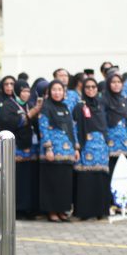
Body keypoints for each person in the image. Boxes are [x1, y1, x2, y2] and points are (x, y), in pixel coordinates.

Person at [0, 76, 40, 219]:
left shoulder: (29, 104)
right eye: (23, 91)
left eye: (28, 91)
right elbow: (8, 122)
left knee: (29, 181)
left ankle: (29, 209)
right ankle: (18, 209)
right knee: (18, 181)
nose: (26, 94)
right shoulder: (9, 105)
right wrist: (29, 115)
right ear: (17, 91)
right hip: (16, 150)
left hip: (31, 150)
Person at [72, 77, 111, 220]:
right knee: (86, 179)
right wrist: (77, 146)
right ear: (83, 89)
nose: (91, 89)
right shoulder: (79, 106)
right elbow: (74, 127)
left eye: (93, 87)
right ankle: (85, 212)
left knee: (100, 179)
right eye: (87, 87)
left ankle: (100, 211)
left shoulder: (100, 105)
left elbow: (104, 126)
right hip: (86, 147)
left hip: (101, 148)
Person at [38, 80, 78, 221]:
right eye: (54, 90)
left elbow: (71, 129)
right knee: (52, 182)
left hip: (67, 153)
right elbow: (43, 129)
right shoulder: (46, 107)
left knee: (64, 183)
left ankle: (62, 210)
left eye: (60, 90)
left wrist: (76, 148)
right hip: (52, 152)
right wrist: (48, 148)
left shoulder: (66, 108)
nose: (57, 93)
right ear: (49, 92)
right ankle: (52, 211)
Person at [103, 71, 127, 177]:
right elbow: (102, 122)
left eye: (119, 82)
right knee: (111, 173)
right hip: (110, 142)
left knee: (124, 174)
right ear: (108, 84)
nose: (116, 84)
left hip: (124, 142)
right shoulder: (103, 100)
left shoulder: (124, 100)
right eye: (113, 82)